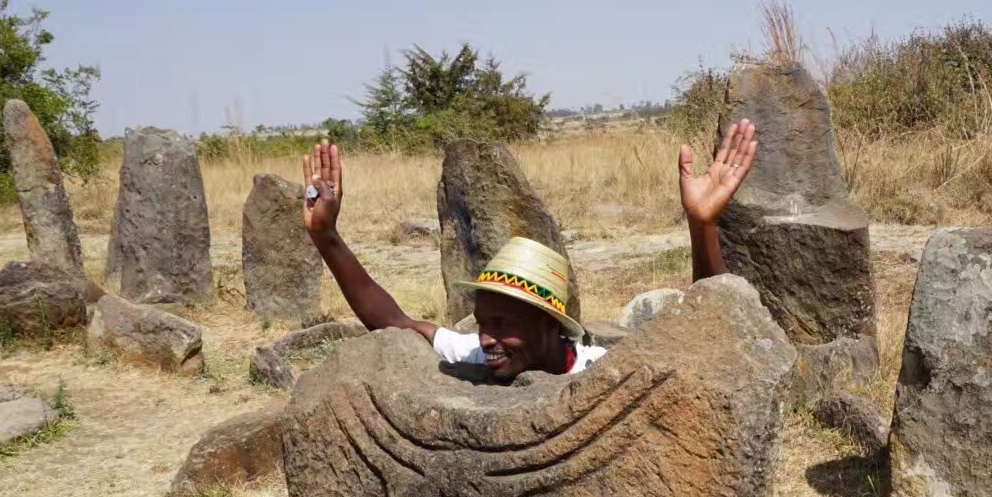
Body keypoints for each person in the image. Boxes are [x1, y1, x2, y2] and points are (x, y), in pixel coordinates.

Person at [300, 120, 759, 380]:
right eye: (483, 323)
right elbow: (396, 324)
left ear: (549, 323)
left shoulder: (601, 373)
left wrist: (703, 227)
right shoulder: (484, 356)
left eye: (501, 324)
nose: (485, 338)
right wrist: (327, 237)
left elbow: (704, 341)